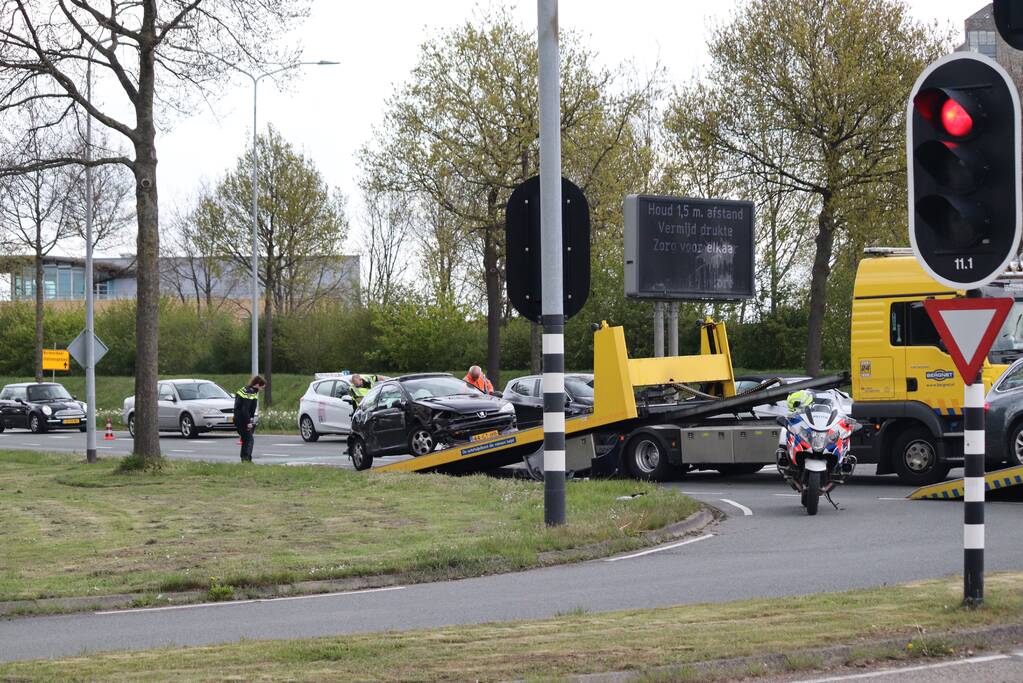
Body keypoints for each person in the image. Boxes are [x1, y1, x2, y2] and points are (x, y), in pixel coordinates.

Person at [234, 375, 265, 462]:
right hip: (243, 419)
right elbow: (245, 409)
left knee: (245, 439)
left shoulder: (244, 389)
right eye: (262, 387)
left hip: (237, 418)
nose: (261, 390)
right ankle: (247, 459)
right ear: (258, 385)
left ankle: (244, 459)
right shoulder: (250, 393)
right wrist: (248, 422)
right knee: (249, 439)